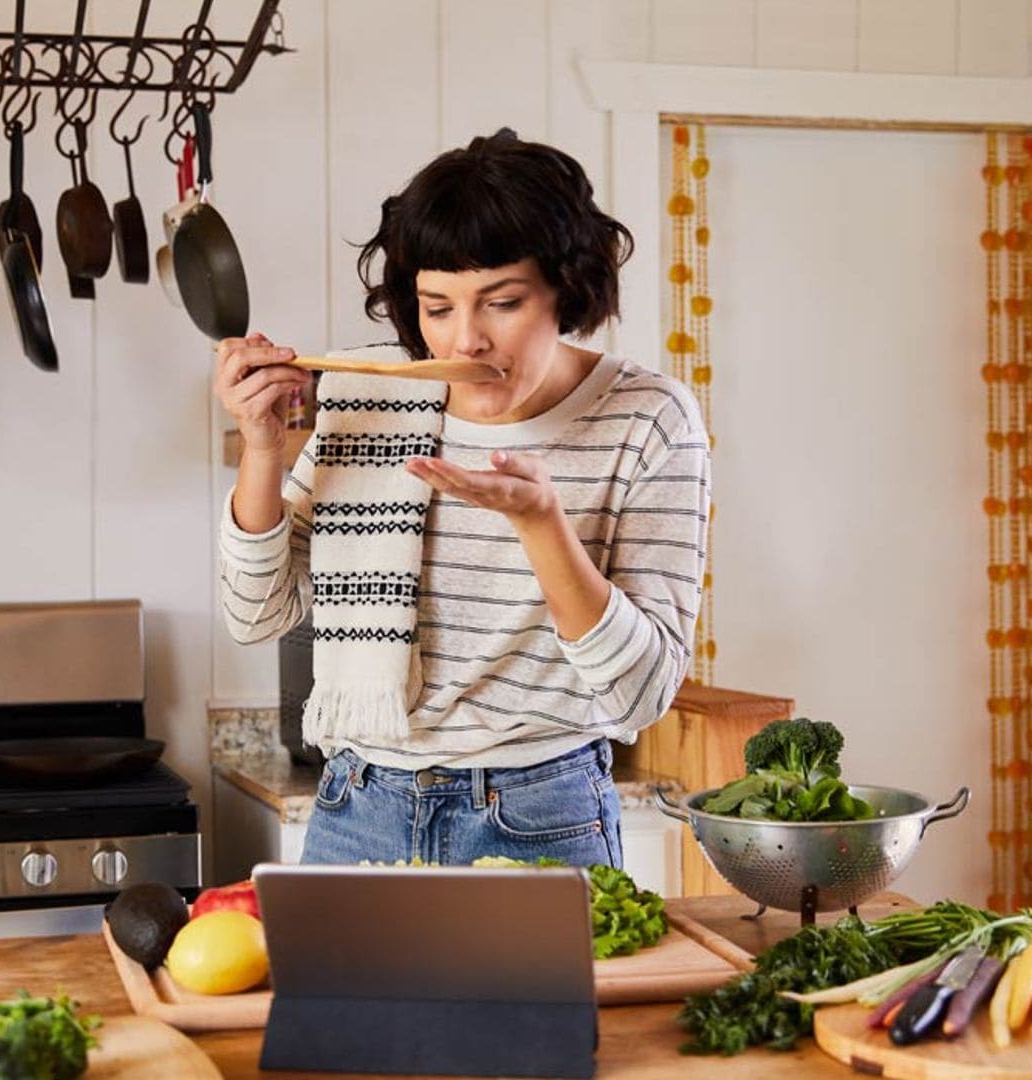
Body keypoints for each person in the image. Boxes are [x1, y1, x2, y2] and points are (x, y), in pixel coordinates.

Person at [214, 129, 710, 868]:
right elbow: (255, 613)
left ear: (566, 290)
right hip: (358, 805)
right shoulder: (374, 396)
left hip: (540, 815)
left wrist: (541, 525)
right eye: (435, 307)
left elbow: (641, 695)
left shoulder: (647, 418)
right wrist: (261, 447)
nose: (464, 339)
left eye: (501, 302)